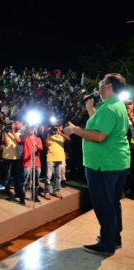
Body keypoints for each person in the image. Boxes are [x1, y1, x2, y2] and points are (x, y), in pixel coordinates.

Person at [64, 73, 130, 256]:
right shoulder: (114, 105)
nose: (99, 86)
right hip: (116, 163)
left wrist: (75, 130)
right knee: (113, 202)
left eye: (101, 83)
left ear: (109, 86)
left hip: (104, 165)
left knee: (104, 204)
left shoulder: (109, 108)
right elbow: (102, 126)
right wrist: (90, 109)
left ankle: (107, 244)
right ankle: (114, 238)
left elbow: (99, 136)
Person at [44, 123, 70, 199]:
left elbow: (68, 139)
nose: (55, 130)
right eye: (54, 128)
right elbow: (46, 144)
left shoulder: (61, 136)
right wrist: (48, 133)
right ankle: (47, 192)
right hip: (50, 158)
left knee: (58, 176)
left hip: (60, 158)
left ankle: (56, 191)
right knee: (48, 176)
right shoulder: (50, 136)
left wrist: (60, 133)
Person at [20, 126, 43, 205]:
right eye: (30, 128)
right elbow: (21, 140)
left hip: (36, 162)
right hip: (27, 163)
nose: (31, 130)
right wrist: (27, 130)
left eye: (32, 128)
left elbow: (41, 148)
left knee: (36, 181)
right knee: (25, 181)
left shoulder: (38, 139)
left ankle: (35, 196)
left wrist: (36, 145)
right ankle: (22, 198)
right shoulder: (25, 138)